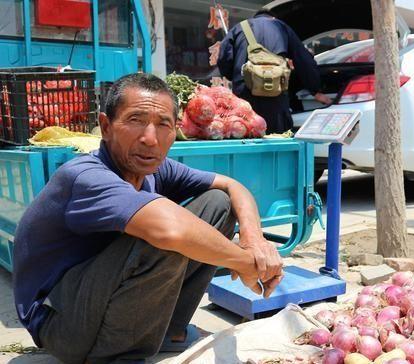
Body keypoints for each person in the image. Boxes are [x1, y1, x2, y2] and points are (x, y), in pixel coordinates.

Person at [12, 73, 283, 363]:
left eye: (163, 124)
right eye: (135, 120)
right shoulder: (86, 176)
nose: (150, 139)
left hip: (95, 292)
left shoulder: (153, 168)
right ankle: (122, 356)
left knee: (218, 203)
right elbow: (171, 230)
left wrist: (253, 239)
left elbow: (232, 186)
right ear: (106, 126)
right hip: (60, 322)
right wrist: (246, 263)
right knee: (167, 234)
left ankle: (170, 330)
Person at [217, 10, 331, 134]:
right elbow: (304, 61)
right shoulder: (281, 27)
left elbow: (224, 60)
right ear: (272, 17)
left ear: (253, 18)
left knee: (244, 136)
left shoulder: (239, 28)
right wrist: (315, 90)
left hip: (245, 99)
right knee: (278, 139)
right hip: (276, 101)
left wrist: (239, 77)